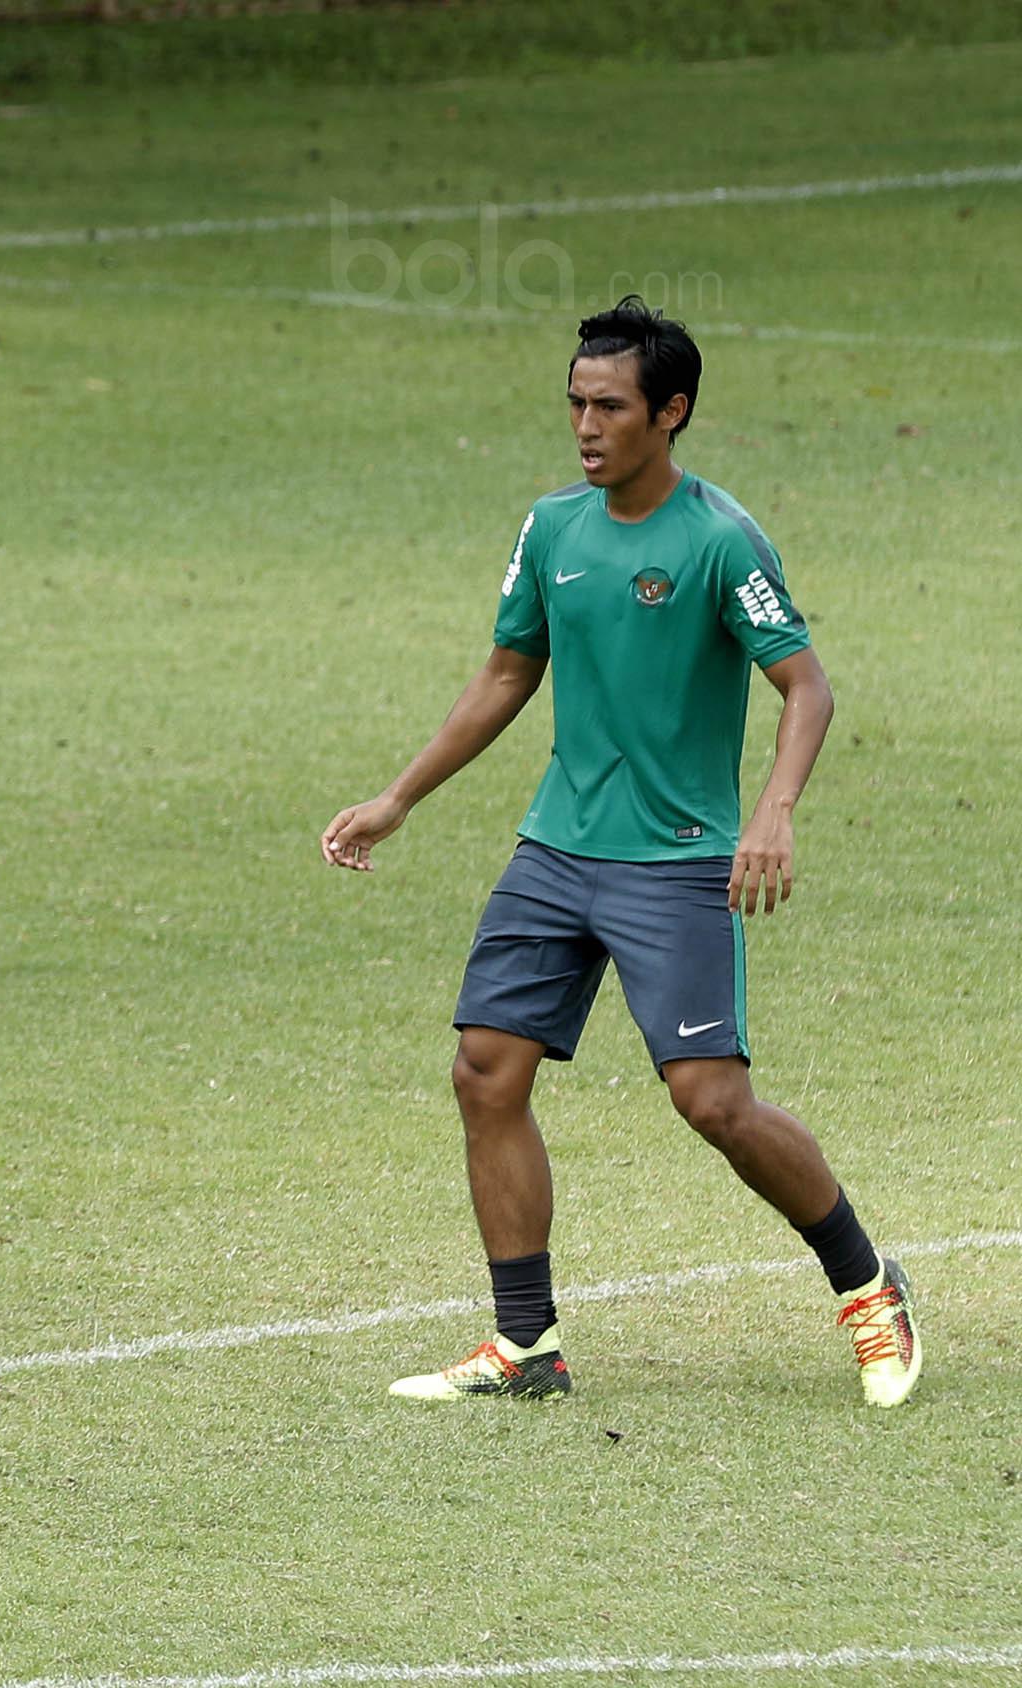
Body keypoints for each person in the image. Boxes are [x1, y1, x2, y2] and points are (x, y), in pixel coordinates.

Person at [321, 297, 918, 1407]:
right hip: (557, 848)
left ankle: (868, 1282)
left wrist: (772, 810)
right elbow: (508, 671)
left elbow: (806, 683)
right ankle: (524, 1342)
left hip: (678, 860)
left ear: (671, 412)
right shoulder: (553, 530)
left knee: (713, 1103)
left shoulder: (718, 539)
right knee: (483, 1070)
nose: (586, 426)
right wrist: (400, 795)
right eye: (575, 404)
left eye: (609, 406)